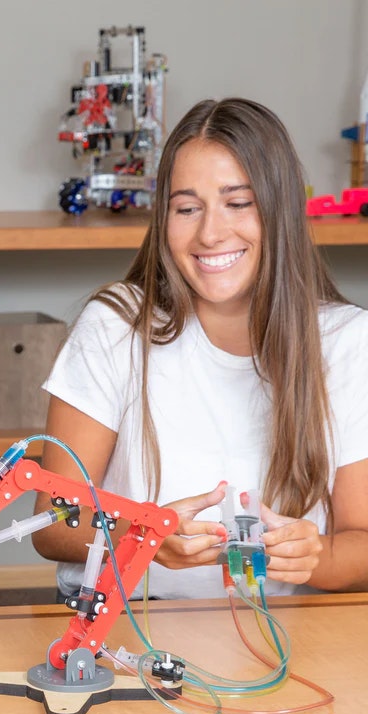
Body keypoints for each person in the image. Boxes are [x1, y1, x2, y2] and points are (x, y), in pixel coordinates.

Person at [32, 97, 368, 601]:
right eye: (187, 208)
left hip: (285, 636)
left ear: (279, 210)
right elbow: (52, 524)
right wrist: (141, 535)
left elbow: (360, 544)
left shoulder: (346, 342)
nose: (210, 233)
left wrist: (317, 554)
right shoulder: (116, 326)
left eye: (238, 203)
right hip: (126, 632)